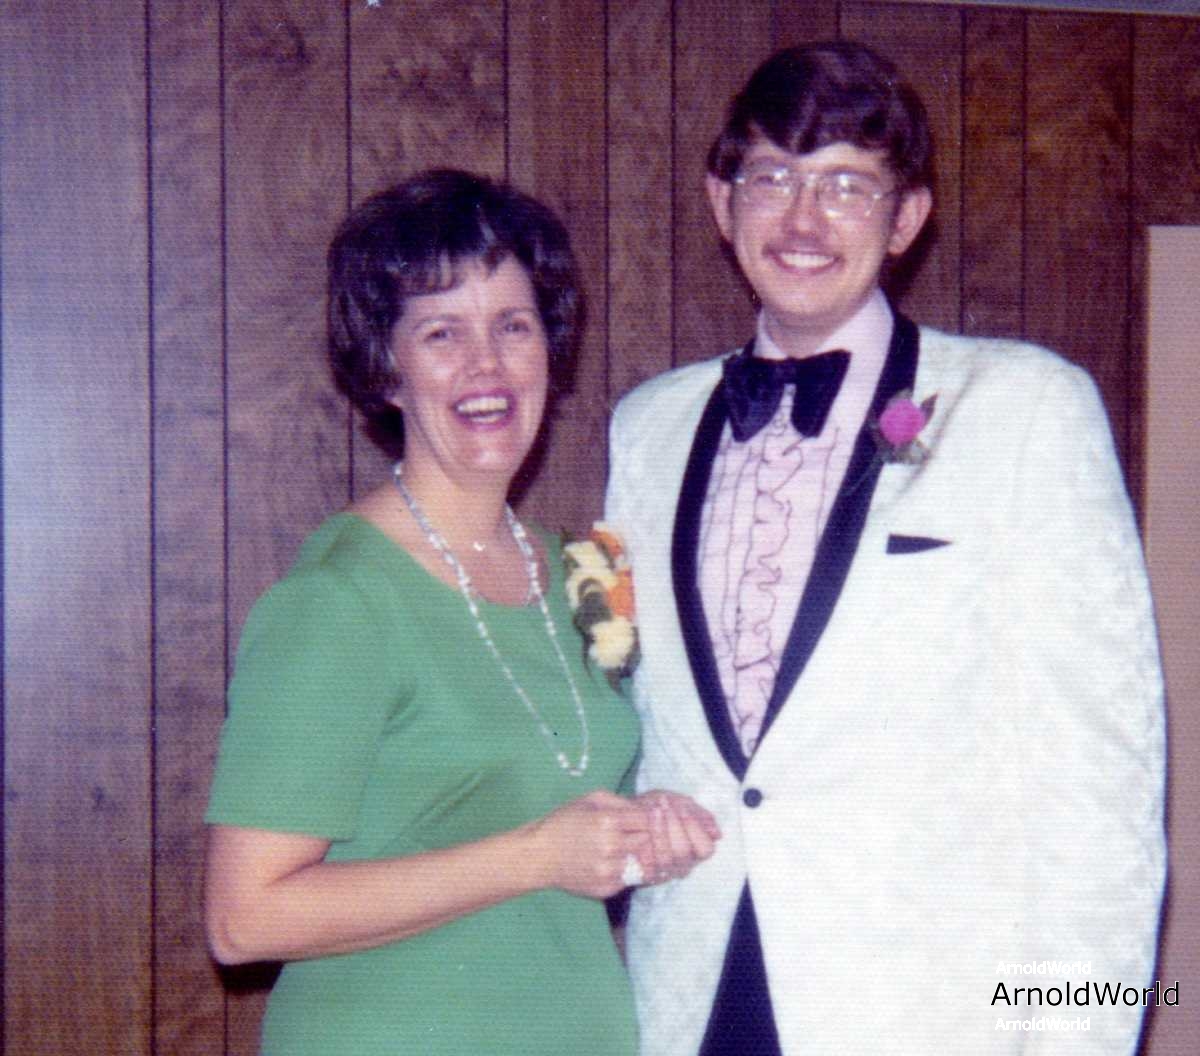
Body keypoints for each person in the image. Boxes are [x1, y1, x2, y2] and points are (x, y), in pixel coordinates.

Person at [605, 42, 1166, 1055]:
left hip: (925, 1013)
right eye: (772, 177)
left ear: (906, 220)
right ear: (722, 202)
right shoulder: (648, 428)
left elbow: (1101, 793)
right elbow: (632, 712)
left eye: (847, 187)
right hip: (689, 999)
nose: (802, 221)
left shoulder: (1024, 409)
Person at [204, 169, 718, 1056]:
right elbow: (243, 919)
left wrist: (645, 825)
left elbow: (554, 804)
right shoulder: (338, 601)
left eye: (513, 326)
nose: (487, 365)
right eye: (442, 333)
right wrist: (536, 855)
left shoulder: (581, 572)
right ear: (386, 368)